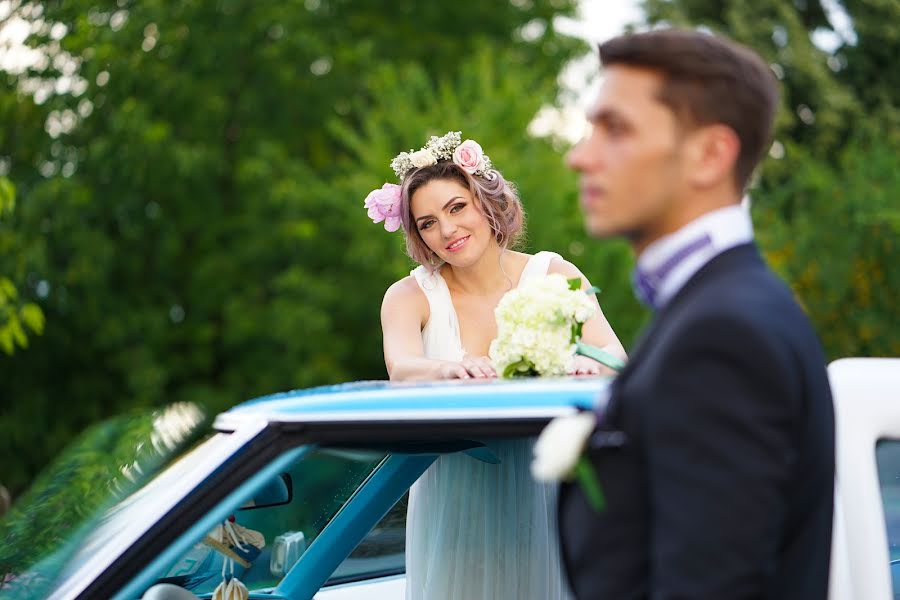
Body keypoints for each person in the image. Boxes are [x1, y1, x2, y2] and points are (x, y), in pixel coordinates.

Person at [557, 28, 835, 599]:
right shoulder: (724, 305)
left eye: (616, 129)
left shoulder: (723, 334)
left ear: (710, 154)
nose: (579, 156)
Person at [366, 131, 625, 599]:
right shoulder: (408, 296)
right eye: (426, 223)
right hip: (452, 499)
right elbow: (401, 368)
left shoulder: (554, 275)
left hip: (545, 488)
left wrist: (585, 369)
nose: (446, 232)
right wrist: (444, 370)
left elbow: (616, 364)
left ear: (486, 202)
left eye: (456, 207)